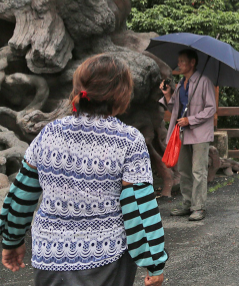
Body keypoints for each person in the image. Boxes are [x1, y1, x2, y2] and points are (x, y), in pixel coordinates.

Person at [0, 54, 168, 286]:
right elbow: (138, 207)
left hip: (49, 259)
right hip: (105, 261)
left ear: (79, 89)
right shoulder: (128, 140)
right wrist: (154, 262)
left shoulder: (49, 134)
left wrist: (11, 239)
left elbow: (22, 193)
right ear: (122, 95)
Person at [161, 48, 216, 221]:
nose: (179, 64)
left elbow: (211, 108)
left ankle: (199, 207)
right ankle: (187, 203)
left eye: (183, 61)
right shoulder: (180, 84)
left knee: (198, 171)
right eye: (179, 61)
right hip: (183, 133)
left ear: (192, 63)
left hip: (199, 133)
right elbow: (176, 108)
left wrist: (190, 120)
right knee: (184, 170)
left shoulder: (204, 81)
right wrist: (168, 94)